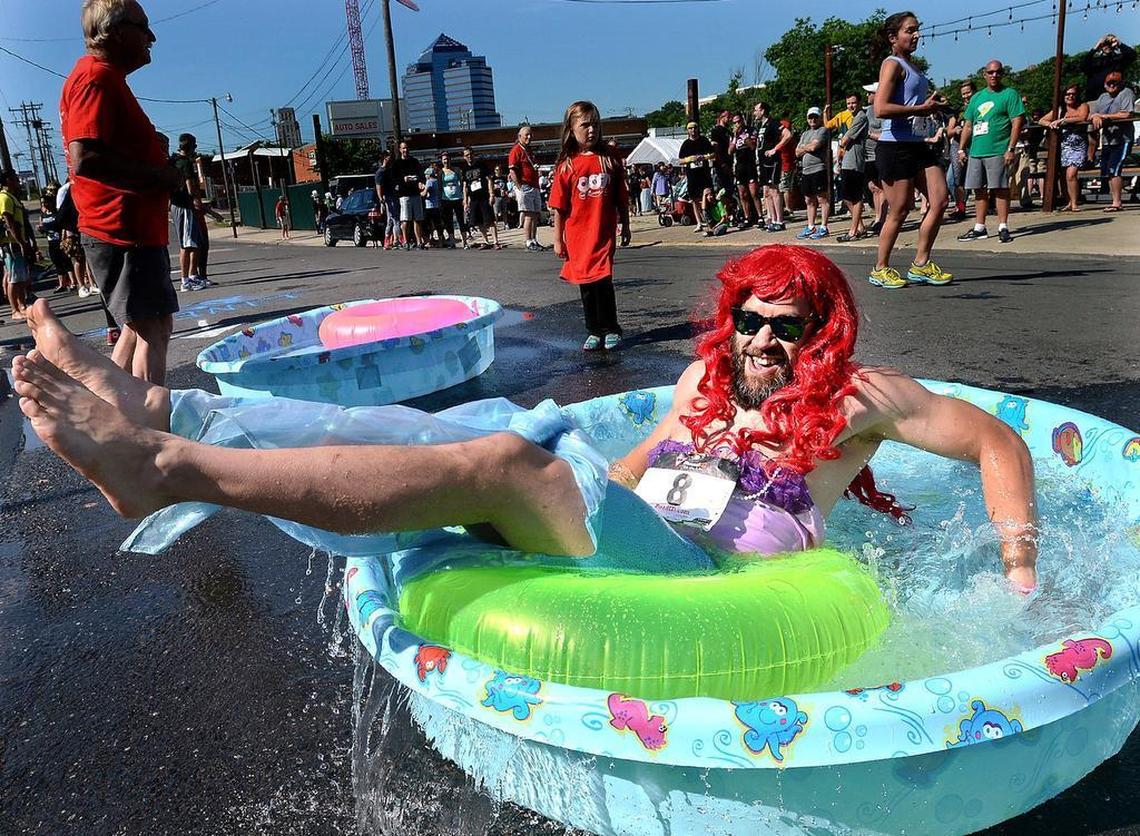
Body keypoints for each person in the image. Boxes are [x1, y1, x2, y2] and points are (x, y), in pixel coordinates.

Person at [11, 244, 1040, 596]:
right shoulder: (701, 389)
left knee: (509, 461)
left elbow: (997, 440)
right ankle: (167, 406)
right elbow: (634, 473)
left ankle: (172, 467)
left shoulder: (857, 401)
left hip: (710, 581)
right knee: (502, 427)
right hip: (646, 539)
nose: (764, 341)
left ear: (823, 331)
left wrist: (1020, 567)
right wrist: (593, 459)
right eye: (749, 320)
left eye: (789, 326)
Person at [60, 0, 183, 384]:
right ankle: (148, 435)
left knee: (137, 327)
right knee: (154, 328)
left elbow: (100, 149)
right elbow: (86, 157)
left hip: (127, 230)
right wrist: (158, 175)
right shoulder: (96, 78)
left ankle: (113, 416)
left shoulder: (104, 78)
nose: (152, 37)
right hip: (121, 229)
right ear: (113, 31)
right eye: (143, 27)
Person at [869, 11, 953, 290]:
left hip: (919, 144)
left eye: (917, 30)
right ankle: (880, 268)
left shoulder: (912, 65)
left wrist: (933, 105)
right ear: (893, 37)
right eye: (910, 30)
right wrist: (921, 108)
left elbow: (913, 103)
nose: (916, 35)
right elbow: (880, 109)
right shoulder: (892, 64)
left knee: (940, 200)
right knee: (901, 209)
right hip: (895, 147)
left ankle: (921, 264)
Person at [550, 101, 631, 352]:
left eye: (595, 124)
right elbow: (559, 207)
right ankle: (594, 329)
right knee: (587, 284)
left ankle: (611, 327)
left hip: (603, 233)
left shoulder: (610, 158)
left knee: (603, 282)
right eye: (585, 125)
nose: (591, 130)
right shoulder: (567, 164)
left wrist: (625, 225)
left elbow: (621, 198)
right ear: (571, 129)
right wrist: (558, 239)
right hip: (577, 236)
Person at [957, 60, 1025, 244]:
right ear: (984, 75)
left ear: (1002, 74)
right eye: (991, 72)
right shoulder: (976, 98)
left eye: (998, 72)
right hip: (977, 151)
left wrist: (1011, 148)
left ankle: (1003, 226)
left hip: (998, 149)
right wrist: (962, 148)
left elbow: (1017, 121)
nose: (994, 75)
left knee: (1000, 188)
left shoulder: (1009, 94)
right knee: (978, 189)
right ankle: (980, 227)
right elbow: (968, 125)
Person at [1039, 85, 1090, 213]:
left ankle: (1074, 203)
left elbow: (1082, 117)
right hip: (1064, 146)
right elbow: (1041, 120)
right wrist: (1051, 123)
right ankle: (1068, 201)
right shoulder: (1060, 109)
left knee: (1071, 174)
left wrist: (1063, 120)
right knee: (1064, 176)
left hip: (1078, 145)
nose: (1070, 96)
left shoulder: (1082, 106)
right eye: (1067, 94)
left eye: (1073, 94)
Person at [1089, 71, 1135, 213]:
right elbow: (1093, 114)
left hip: (1123, 139)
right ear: (1104, 84)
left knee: (1115, 169)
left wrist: (1103, 116)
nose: (1112, 85)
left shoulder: (1126, 93)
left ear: (1121, 83)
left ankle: (1117, 202)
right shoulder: (1102, 97)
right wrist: (1095, 116)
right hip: (1107, 140)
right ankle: (1114, 200)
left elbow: (1127, 113)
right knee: (1109, 170)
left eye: (1115, 82)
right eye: (1109, 82)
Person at [171, 133, 209, 290]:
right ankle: (186, 280)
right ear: (189, 147)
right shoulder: (184, 163)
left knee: (193, 242)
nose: (195, 149)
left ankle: (192, 276)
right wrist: (196, 201)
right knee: (188, 244)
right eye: (194, 146)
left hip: (180, 205)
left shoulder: (173, 161)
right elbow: (190, 186)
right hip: (184, 206)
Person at [0, 169, 33, 321]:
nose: (18, 181)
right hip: (11, 244)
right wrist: (20, 241)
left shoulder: (11, 197)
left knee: (19, 277)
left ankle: (22, 306)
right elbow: (9, 222)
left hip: (16, 243)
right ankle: (14, 310)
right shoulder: (5, 198)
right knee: (13, 278)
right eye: (14, 178)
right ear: (8, 180)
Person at [836, 95, 870, 242]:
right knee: (846, 196)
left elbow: (845, 140)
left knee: (855, 197)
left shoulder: (861, 117)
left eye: (853, 103)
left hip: (855, 160)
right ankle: (860, 226)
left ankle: (853, 231)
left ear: (859, 103)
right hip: (847, 161)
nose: (851, 106)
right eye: (848, 103)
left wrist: (842, 144)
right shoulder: (852, 117)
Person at [794, 107, 830, 240]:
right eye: (810, 117)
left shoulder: (823, 131)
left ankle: (824, 226)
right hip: (806, 170)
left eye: (815, 117)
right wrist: (806, 147)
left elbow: (815, 146)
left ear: (820, 117)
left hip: (818, 168)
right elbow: (797, 152)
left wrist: (805, 147)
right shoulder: (805, 134)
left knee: (822, 198)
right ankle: (810, 226)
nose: (812, 120)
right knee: (808, 199)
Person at [755, 103, 792, 233]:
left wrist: (775, 149)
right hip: (763, 162)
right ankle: (772, 218)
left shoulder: (773, 122)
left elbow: (787, 135)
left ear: (763, 110)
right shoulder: (761, 125)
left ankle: (780, 221)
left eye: (756, 110)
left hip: (772, 161)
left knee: (774, 190)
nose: (754, 113)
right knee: (767, 192)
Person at [509, 126, 545, 251]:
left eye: (531, 135)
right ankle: (528, 241)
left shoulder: (529, 150)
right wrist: (519, 187)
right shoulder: (516, 150)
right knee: (529, 214)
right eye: (526, 135)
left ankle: (534, 239)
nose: (529, 137)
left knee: (535, 214)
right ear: (520, 137)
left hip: (534, 186)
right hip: (525, 186)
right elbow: (512, 171)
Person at [945, 80, 977, 222]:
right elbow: (949, 131)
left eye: (968, 93)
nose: (966, 96)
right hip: (957, 146)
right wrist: (956, 130)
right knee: (952, 179)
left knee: (974, 179)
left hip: (975, 145)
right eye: (963, 94)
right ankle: (960, 206)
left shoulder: (979, 107)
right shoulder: (957, 111)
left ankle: (987, 203)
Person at [462, 147, 501, 250]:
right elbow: (465, 186)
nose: (469, 156)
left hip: (484, 197)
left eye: (470, 154)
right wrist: (465, 201)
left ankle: (496, 241)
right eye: (467, 155)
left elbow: (489, 180)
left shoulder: (481, 165)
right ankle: (486, 241)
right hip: (473, 199)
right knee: (478, 222)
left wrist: (491, 194)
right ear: (464, 157)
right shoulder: (465, 169)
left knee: (490, 220)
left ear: (473, 154)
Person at [678, 121, 715, 231]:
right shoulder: (686, 144)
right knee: (694, 199)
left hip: (704, 173)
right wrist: (690, 159)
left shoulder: (704, 141)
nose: (693, 130)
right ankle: (699, 222)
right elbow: (680, 160)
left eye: (695, 128)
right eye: (690, 128)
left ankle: (710, 219)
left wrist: (704, 157)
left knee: (707, 196)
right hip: (692, 175)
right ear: (688, 130)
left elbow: (712, 154)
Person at [1080, 33, 1136, 103]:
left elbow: (1132, 55)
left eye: (1109, 44)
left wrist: (1119, 43)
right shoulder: (1095, 61)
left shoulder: (1118, 59)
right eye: (1105, 44)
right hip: (1093, 98)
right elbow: (1082, 66)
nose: (1107, 46)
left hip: (1113, 98)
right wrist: (1095, 48)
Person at [38, 191, 76, 295]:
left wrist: (64, 237)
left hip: (60, 240)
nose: (44, 205)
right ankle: (62, 283)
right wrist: (41, 229)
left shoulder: (57, 213)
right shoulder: (43, 215)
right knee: (57, 262)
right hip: (51, 242)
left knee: (66, 261)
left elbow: (63, 225)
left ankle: (73, 282)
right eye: (42, 203)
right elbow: (42, 228)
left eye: (46, 202)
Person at [862, 84, 887, 234]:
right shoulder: (867, 111)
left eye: (870, 93)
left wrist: (870, 134)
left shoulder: (882, 110)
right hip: (867, 156)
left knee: (881, 188)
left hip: (879, 154)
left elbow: (886, 134)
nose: (867, 96)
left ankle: (881, 219)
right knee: (873, 188)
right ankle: (877, 217)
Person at [439, 152, 468, 249]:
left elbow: (462, 182)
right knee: (449, 221)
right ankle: (452, 241)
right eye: (444, 159)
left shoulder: (456, 170)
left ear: (450, 159)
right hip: (446, 199)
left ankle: (465, 241)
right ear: (442, 161)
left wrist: (464, 197)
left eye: (447, 159)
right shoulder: (441, 172)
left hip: (457, 198)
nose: (446, 161)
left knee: (460, 220)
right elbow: (439, 186)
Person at [374, 151, 401, 249]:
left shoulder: (390, 170)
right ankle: (400, 239)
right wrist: (381, 200)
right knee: (395, 218)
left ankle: (389, 240)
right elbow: (378, 187)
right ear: (385, 158)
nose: (391, 158)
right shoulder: (380, 172)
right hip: (387, 198)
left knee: (391, 220)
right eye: (389, 157)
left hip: (393, 196)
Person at [421, 162, 445, 248]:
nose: (425, 176)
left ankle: (428, 241)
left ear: (428, 174)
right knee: (438, 224)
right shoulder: (436, 181)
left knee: (427, 225)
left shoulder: (429, 181)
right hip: (437, 205)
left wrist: (420, 192)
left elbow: (424, 193)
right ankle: (441, 241)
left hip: (429, 206)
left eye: (426, 175)